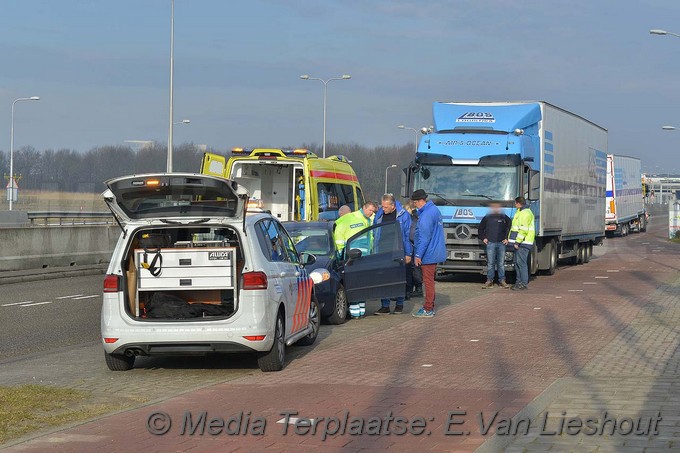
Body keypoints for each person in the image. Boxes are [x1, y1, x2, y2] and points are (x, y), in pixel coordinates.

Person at [333, 201, 378, 318]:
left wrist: (339, 255)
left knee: (357, 284)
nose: (372, 213)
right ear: (364, 208)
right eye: (370, 210)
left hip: (358, 258)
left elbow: (339, 238)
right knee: (358, 283)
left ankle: (357, 313)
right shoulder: (352, 218)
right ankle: (358, 312)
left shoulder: (368, 219)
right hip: (354, 257)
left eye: (373, 211)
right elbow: (340, 239)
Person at [373, 194, 412, 315]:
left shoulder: (403, 215)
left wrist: (408, 253)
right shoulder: (379, 214)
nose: (383, 209)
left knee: (398, 277)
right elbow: (374, 230)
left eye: (385, 207)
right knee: (383, 278)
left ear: (393, 206)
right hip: (382, 250)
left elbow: (407, 235)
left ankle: (399, 304)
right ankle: (385, 305)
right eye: (382, 206)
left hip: (397, 249)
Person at [411, 189, 446, 318]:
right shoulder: (435, 210)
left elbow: (424, 237)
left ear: (420, 201)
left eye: (415, 203)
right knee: (430, 280)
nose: (415, 205)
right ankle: (429, 305)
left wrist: (418, 255)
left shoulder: (426, 215)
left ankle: (428, 308)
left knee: (428, 281)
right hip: (434, 251)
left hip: (428, 253)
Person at [479, 202, 512, 289]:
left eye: (497, 207)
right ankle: (489, 281)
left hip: (501, 243)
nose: (496, 208)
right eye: (494, 207)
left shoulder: (504, 217)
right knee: (490, 263)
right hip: (490, 243)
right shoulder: (487, 217)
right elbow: (480, 229)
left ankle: (502, 281)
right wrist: (483, 238)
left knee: (501, 264)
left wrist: (507, 238)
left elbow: (511, 227)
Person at [508, 196, 535, 291]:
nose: (515, 205)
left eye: (515, 203)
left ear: (519, 203)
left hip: (523, 243)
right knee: (517, 263)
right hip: (520, 242)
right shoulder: (520, 212)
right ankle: (519, 282)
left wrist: (517, 242)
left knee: (521, 263)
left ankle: (523, 283)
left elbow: (523, 230)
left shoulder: (525, 213)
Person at [405, 201, 423, 298]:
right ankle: (416, 288)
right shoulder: (418, 217)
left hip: (413, 245)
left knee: (414, 268)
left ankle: (415, 289)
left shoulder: (412, 218)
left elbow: (411, 234)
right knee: (415, 268)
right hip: (415, 245)